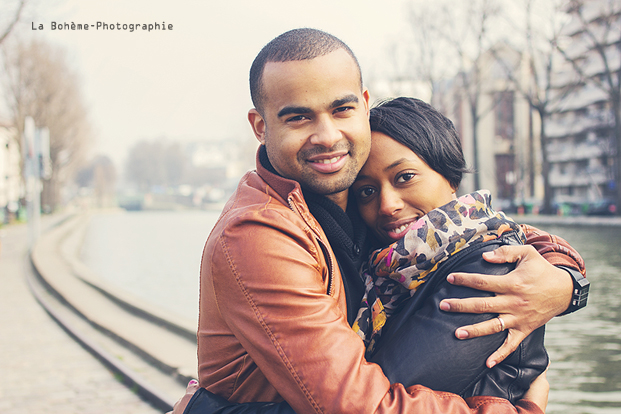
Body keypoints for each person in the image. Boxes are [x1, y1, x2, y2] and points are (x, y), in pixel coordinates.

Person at [172, 28, 586, 414]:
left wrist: (565, 284)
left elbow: (486, 228)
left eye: (341, 109)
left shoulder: (349, 195)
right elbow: (359, 404)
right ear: (261, 127)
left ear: (364, 106)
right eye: (298, 118)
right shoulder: (257, 234)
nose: (327, 135)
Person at [351, 97, 548, 403]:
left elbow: (361, 402)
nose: (388, 205)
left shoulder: (491, 267)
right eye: (367, 191)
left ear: (450, 175)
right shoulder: (386, 269)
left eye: (405, 177)